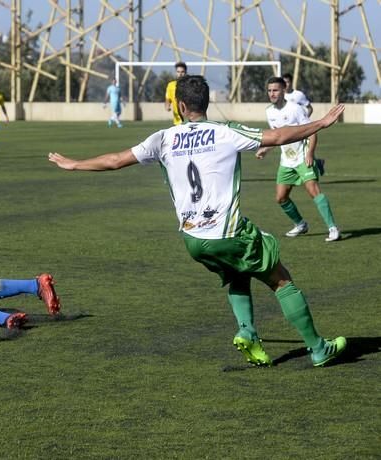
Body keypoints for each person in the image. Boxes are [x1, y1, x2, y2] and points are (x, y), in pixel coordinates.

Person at [48, 75, 347, 368]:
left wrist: (73, 164)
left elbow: (114, 161)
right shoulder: (225, 132)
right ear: (208, 101)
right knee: (281, 280)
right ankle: (319, 348)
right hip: (228, 231)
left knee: (237, 274)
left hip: (194, 240)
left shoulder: (163, 138)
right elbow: (280, 136)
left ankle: (248, 332)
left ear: (179, 105)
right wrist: (320, 123)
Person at [256, 77, 340, 242]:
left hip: (302, 158)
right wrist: (265, 149)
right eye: (269, 90)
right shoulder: (269, 111)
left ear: (283, 90)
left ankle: (333, 228)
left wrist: (310, 154)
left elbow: (312, 131)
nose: (272, 93)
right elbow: (277, 137)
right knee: (281, 198)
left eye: (275, 90)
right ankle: (301, 224)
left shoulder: (295, 109)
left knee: (313, 190)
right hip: (286, 161)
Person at [282, 73, 324, 175]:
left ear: (291, 82)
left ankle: (308, 169)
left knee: (305, 148)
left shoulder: (298, 95)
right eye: (284, 82)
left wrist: (304, 122)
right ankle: (318, 163)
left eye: (287, 82)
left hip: (301, 128)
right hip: (288, 129)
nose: (285, 84)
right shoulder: (281, 96)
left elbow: (310, 108)